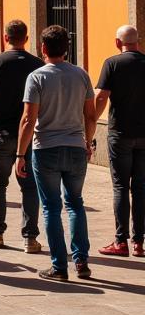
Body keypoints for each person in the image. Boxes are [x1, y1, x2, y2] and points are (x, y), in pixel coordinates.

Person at [17, 25, 96, 281]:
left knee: (51, 207)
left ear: (42, 48)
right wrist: (88, 141)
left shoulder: (36, 77)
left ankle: (59, 266)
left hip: (46, 148)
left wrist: (20, 155)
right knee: (75, 204)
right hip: (75, 146)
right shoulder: (81, 75)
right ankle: (81, 261)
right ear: (67, 47)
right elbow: (91, 115)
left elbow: (29, 119)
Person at [0, 19, 43, 252]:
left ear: (5, 38)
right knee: (30, 186)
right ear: (26, 38)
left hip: (0, 134)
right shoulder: (38, 64)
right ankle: (30, 238)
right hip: (29, 134)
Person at [95, 24, 145, 257]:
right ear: (138, 42)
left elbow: (102, 95)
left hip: (120, 133)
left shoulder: (112, 63)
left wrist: (92, 121)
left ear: (118, 43)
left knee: (120, 187)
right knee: (141, 188)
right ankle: (139, 243)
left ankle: (120, 241)